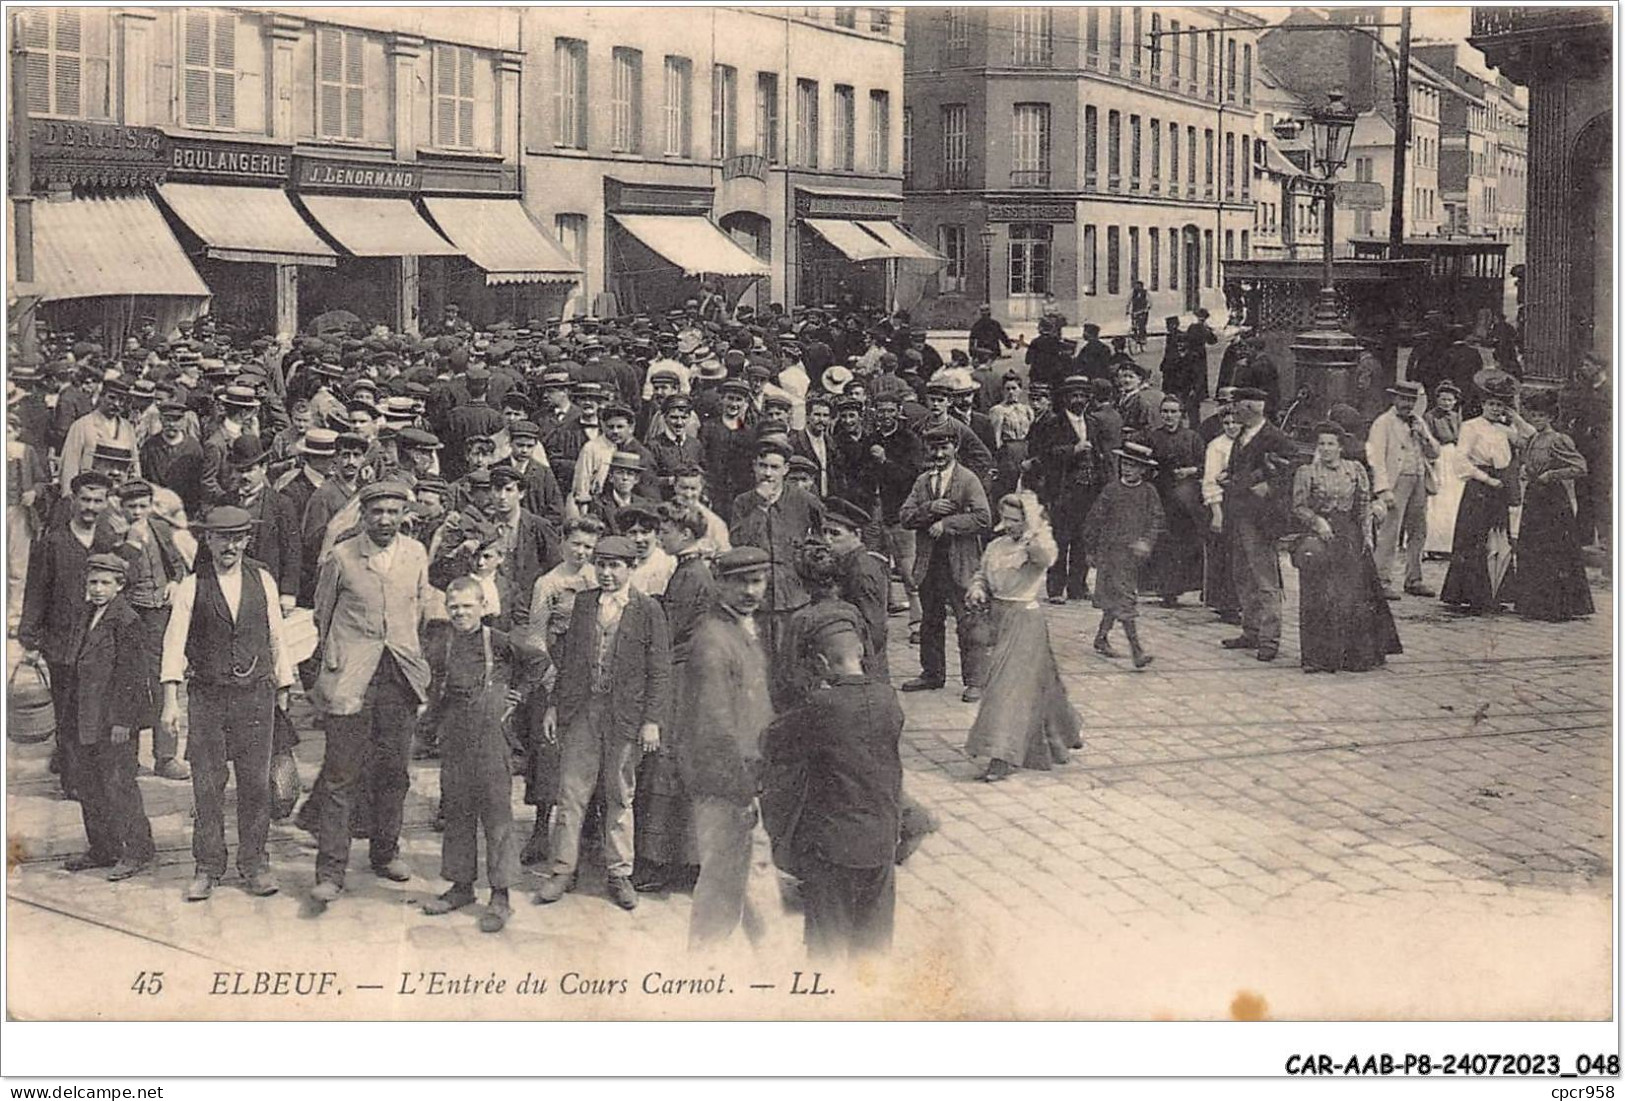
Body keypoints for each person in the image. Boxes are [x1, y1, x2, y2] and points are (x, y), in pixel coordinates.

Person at [158, 506, 294, 900]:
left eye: (238, 537)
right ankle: (207, 866)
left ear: (248, 539)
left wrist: (283, 687)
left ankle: (255, 863)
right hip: (208, 698)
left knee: (255, 784)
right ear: (208, 540)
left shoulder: (262, 579)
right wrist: (171, 703)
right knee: (207, 784)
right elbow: (173, 646)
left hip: (256, 696)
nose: (230, 545)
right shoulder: (191, 585)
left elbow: (277, 636)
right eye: (222, 538)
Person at [308, 481, 434, 907]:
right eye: (377, 512)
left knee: (394, 770)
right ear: (363, 515)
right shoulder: (342, 557)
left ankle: (385, 851)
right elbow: (321, 617)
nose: (385, 520)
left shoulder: (416, 554)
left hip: (399, 676)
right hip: (352, 678)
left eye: (393, 512)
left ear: (404, 515)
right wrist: (331, 672)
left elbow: (417, 608)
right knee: (341, 774)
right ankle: (330, 870)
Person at [533, 535, 671, 912]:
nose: (607, 574)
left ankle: (619, 873)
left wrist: (652, 721)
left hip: (626, 716)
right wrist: (554, 707)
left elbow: (659, 672)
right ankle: (562, 870)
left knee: (619, 795)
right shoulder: (583, 604)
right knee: (571, 793)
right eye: (601, 565)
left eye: (616, 566)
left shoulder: (647, 610)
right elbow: (571, 662)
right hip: (583, 711)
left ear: (630, 569)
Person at [760, 619, 902, 959]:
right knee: (874, 942)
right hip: (882, 840)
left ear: (822, 664)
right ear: (861, 654)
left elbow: (774, 744)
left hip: (833, 847)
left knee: (828, 944)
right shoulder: (888, 698)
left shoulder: (821, 706)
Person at [420, 577, 547, 933]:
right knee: (457, 809)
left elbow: (539, 663)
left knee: (496, 813)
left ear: (482, 606)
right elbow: (436, 688)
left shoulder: (500, 641)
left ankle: (501, 895)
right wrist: (429, 726)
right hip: (455, 733)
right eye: (454, 607)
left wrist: (518, 694)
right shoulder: (443, 642)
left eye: (467, 606)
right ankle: (461, 886)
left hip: (491, 735)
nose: (460, 613)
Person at [678, 547, 778, 952]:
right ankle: (702, 965)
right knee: (723, 876)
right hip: (725, 781)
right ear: (720, 584)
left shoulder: (746, 628)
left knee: (750, 872)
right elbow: (714, 726)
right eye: (739, 582)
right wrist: (740, 791)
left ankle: (770, 954)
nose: (750, 591)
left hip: (749, 774)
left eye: (757, 581)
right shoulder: (712, 640)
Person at [963, 491, 1083, 782]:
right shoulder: (996, 545)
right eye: (1005, 518)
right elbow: (982, 572)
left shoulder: (1035, 545)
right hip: (997, 618)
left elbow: (1047, 557)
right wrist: (977, 588)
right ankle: (1059, 736)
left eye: (1015, 520)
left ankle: (1001, 755)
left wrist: (1035, 527)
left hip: (1025, 620)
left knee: (1006, 688)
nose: (1009, 524)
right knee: (1040, 683)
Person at [19, 471, 120, 799]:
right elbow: (35, 592)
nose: (91, 507)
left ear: (106, 503)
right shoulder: (52, 543)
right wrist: (30, 640)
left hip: (100, 644)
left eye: (98, 500)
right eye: (86, 500)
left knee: (98, 712)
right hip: (62, 644)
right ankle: (74, 781)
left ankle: (95, 773)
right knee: (68, 713)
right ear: (73, 501)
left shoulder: (109, 539)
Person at [58, 554, 156, 880]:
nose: (98, 589)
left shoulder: (127, 621)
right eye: (93, 582)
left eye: (105, 583)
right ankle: (102, 847)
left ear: (120, 585)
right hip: (85, 716)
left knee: (119, 785)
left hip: (113, 720)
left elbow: (132, 676)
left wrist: (123, 721)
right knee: (89, 784)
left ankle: (137, 850)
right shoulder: (88, 614)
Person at [517, 514, 603, 865]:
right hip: (553, 666)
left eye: (588, 546)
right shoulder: (548, 583)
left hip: (588, 670)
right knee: (546, 751)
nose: (581, 552)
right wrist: (550, 677)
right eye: (576, 544)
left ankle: (588, 830)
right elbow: (535, 634)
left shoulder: (598, 578)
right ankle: (540, 830)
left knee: (589, 745)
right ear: (563, 543)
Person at [1291, 424, 1403, 673]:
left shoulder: (1355, 470)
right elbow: (1298, 506)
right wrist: (1316, 521)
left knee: (1352, 595)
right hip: (1321, 535)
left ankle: (1354, 655)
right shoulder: (1307, 472)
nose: (1326, 449)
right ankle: (1318, 658)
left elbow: (1362, 506)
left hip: (1350, 537)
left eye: (1331, 444)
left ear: (1341, 447)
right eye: (1322, 444)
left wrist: (1366, 537)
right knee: (1319, 594)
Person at [899, 425, 991, 703]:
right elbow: (904, 516)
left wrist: (948, 523)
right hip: (930, 563)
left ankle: (975, 681)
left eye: (944, 448)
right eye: (934, 448)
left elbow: (983, 518)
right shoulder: (922, 481)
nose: (939, 454)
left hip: (960, 563)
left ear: (956, 449)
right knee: (930, 621)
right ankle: (932, 673)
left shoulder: (968, 480)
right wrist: (929, 509)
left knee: (969, 622)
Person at [729, 437, 823, 704]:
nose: (767, 473)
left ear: (785, 470)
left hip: (794, 599)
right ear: (754, 467)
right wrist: (760, 507)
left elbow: (822, 538)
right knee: (758, 665)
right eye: (762, 466)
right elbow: (737, 541)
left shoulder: (804, 500)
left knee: (795, 666)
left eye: (774, 467)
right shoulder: (743, 502)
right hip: (755, 600)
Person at [1440, 373, 1534, 615]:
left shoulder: (1505, 429)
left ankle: (1495, 592)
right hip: (1479, 486)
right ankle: (1471, 593)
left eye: (1499, 405)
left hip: (1499, 486)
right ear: (1483, 404)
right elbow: (1460, 460)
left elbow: (1532, 438)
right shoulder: (1470, 427)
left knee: (1499, 537)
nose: (1494, 409)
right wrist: (1485, 478)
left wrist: (1515, 417)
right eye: (1491, 404)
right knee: (1474, 538)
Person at [1223, 388, 1299, 662]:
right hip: (1239, 513)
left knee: (1265, 578)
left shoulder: (1274, 437)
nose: (1233, 411)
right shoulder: (1243, 435)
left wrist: (1270, 486)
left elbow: (1293, 469)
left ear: (1252, 408)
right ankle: (1251, 630)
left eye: (1238, 406)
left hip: (1261, 519)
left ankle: (1269, 640)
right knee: (1243, 575)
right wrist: (1229, 476)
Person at [1029, 376, 1116, 603]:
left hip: (1089, 491)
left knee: (1083, 539)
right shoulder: (1053, 423)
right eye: (1073, 396)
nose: (1078, 400)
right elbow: (1044, 455)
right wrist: (1073, 449)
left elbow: (1102, 455)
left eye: (1082, 396)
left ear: (1088, 399)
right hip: (1063, 491)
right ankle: (1056, 589)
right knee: (1060, 539)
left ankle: (1078, 586)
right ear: (1065, 398)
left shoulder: (1094, 423)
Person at [1512, 390, 1592, 622]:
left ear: (1550, 417)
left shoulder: (1559, 439)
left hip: (1553, 501)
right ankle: (1533, 603)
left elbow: (1580, 467)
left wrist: (1553, 474)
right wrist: (1525, 470)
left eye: (1541, 416)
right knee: (1532, 548)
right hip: (1534, 497)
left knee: (1552, 550)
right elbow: (1527, 460)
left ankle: (1555, 604)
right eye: (1533, 415)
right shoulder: (1533, 438)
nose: (1536, 419)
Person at [1083, 442, 1164, 669]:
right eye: (1125, 464)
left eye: (1133, 465)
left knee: (1114, 597)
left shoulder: (1149, 492)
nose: (1127, 469)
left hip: (1132, 557)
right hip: (1110, 553)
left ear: (1143, 470)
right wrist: (1090, 550)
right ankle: (1136, 651)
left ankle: (1101, 638)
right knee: (1125, 598)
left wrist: (1146, 541)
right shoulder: (1111, 490)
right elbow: (1093, 520)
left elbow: (1157, 520)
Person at [1367, 381, 1441, 600]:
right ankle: (1381, 580)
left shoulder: (1418, 422)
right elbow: (1376, 457)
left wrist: (1424, 436)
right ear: (1394, 399)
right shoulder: (1383, 423)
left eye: (1411, 400)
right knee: (1390, 530)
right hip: (1395, 481)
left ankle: (1414, 578)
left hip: (1418, 478)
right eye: (1403, 399)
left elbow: (1435, 453)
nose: (1407, 404)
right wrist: (1383, 488)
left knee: (1418, 530)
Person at [1143, 394, 1206, 606]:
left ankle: (1183, 586)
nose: (1169, 416)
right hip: (1161, 495)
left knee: (1184, 543)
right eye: (1165, 412)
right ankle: (1165, 590)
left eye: (1173, 412)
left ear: (1181, 415)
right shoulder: (1153, 437)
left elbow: (1205, 466)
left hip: (1186, 499)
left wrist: (1191, 471)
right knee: (1163, 543)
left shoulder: (1192, 437)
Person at [1201, 403, 1242, 624]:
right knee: (1226, 554)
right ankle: (1227, 604)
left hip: (1245, 504)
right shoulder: (1216, 446)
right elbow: (1210, 481)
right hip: (1224, 504)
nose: (1231, 426)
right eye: (1226, 423)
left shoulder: (1247, 443)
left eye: (1235, 421)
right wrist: (1216, 512)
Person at [1423, 382, 1466, 557]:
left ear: (1455, 402)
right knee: (1437, 498)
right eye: (1443, 399)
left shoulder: (1457, 417)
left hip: (1454, 457)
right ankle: (1432, 544)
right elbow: (1427, 440)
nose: (1446, 403)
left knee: (1454, 498)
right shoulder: (1429, 417)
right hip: (1438, 457)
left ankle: (1449, 544)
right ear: (1437, 400)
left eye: (1450, 400)